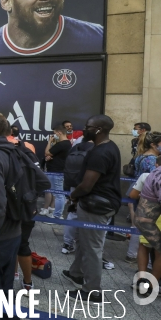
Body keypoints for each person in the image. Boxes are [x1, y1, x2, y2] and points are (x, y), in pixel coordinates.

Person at [0, 111, 49, 294]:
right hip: (14, 231)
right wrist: (18, 205)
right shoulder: (16, 150)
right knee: (4, 288)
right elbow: (42, 182)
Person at [62, 115, 122, 303]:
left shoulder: (101, 152)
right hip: (94, 203)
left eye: (88, 127)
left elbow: (87, 185)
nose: (84, 129)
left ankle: (92, 291)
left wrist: (73, 196)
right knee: (84, 241)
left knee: (92, 247)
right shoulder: (107, 147)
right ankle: (76, 273)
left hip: (96, 206)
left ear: (98, 130)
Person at [61, 140, 94, 255]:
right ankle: (86, 247)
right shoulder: (96, 149)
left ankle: (67, 243)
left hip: (73, 185)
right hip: (89, 186)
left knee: (73, 214)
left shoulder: (76, 147)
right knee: (90, 216)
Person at [134, 159, 161, 285]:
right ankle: (151, 284)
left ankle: (143, 282)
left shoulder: (152, 174)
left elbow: (133, 195)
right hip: (152, 220)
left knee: (145, 246)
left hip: (149, 219)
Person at [40, 124, 72, 220]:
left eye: (54, 134)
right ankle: (56, 213)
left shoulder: (62, 144)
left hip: (57, 171)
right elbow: (52, 155)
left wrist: (49, 141)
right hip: (55, 170)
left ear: (59, 133)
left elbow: (47, 152)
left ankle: (57, 215)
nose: (54, 136)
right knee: (56, 193)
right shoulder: (65, 144)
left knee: (59, 194)